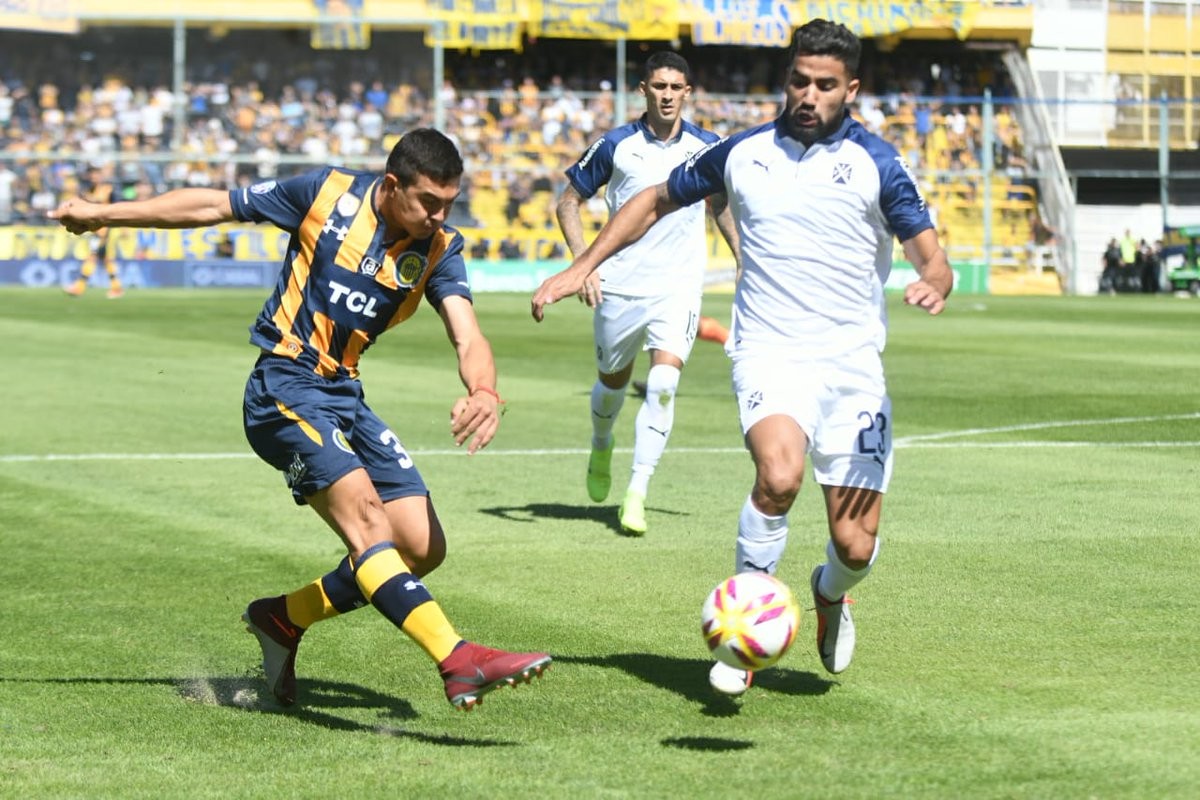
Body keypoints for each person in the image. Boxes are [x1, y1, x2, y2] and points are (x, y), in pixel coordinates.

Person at [50, 128, 550, 711]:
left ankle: (282, 618)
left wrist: (484, 389)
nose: (440, 216)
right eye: (429, 202)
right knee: (369, 525)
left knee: (420, 546)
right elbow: (214, 204)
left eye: (449, 203)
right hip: (283, 386)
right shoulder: (326, 194)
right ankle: (457, 659)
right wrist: (102, 214)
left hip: (344, 392)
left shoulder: (439, 248)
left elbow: (468, 334)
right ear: (392, 185)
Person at [532, 20, 952, 695]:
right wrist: (581, 265)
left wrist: (934, 279)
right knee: (778, 477)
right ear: (786, 80)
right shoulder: (741, 152)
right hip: (769, 352)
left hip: (852, 369)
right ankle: (742, 631)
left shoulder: (878, 162)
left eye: (825, 85)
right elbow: (651, 200)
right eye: (799, 81)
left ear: (850, 89)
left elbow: (930, 253)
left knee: (855, 546)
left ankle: (829, 592)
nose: (809, 95)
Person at [555, 50, 739, 535]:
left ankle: (637, 491)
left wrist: (744, 259)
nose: (667, 96)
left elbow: (720, 205)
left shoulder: (706, 147)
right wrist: (583, 264)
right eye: (659, 86)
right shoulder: (615, 145)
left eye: (676, 87)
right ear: (644, 90)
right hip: (619, 286)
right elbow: (568, 202)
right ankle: (601, 443)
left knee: (662, 385)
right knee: (612, 385)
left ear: (688, 93)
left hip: (678, 287)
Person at [64, 164, 124, 298]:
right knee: (105, 258)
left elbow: (118, 206)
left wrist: (122, 226)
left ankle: (79, 286)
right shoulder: (87, 191)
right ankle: (117, 287)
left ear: (101, 175)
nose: (93, 177)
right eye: (91, 174)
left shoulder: (108, 190)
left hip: (104, 229)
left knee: (93, 255)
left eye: (96, 174)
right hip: (94, 229)